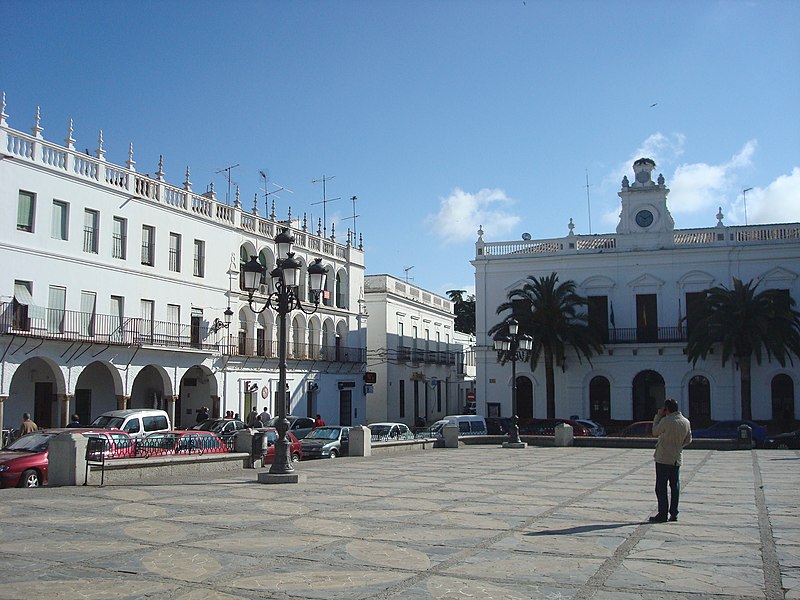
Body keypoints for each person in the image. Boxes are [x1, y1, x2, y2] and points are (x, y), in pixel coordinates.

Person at [650, 398, 692, 522]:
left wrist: (658, 415)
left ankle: (662, 513)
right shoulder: (685, 421)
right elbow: (689, 440)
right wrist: (678, 446)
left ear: (666, 409)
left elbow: (655, 431)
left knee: (661, 487)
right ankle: (674, 512)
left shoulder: (666, 420)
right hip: (676, 458)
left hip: (663, 458)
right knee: (675, 486)